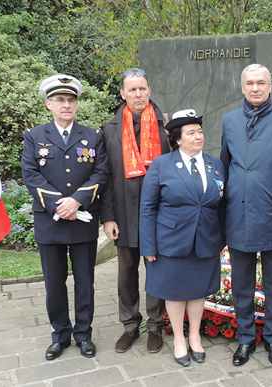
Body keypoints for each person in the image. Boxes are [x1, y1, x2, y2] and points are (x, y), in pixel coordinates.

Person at [220, 64, 272, 367]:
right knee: (241, 285)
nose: (255, 88)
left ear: (271, 86)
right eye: (249, 83)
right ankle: (244, 340)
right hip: (238, 216)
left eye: (261, 83)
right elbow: (224, 168)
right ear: (242, 88)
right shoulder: (229, 121)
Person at [22, 74, 108, 360]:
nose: (66, 105)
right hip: (50, 222)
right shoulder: (34, 136)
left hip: (82, 219)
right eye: (60, 100)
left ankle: (83, 335)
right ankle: (60, 335)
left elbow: (101, 172)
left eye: (71, 100)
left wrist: (77, 201)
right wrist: (60, 205)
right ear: (49, 104)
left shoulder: (93, 136)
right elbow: (30, 175)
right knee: (54, 284)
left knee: (85, 282)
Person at [140, 109, 225, 367]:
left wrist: (220, 239)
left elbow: (222, 206)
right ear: (177, 139)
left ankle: (195, 336)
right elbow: (147, 207)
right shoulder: (161, 165)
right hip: (171, 241)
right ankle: (179, 338)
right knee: (175, 292)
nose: (198, 136)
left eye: (199, 131)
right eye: (191, 133)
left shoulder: (215, 164)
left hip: (205, 241)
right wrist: (148, 244)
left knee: (198, 290)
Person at [100, 69, 170, 353]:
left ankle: (156, 326)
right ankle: (130, 326)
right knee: (127, 272)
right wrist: (108, 216)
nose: (138, 94)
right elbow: (103, 175)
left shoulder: (167, 125)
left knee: (156, 269)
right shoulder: (110, 128)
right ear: (123, 94)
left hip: (160, 212)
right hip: (124, 211)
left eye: (142, 89)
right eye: (132, 90)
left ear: (149, 90)